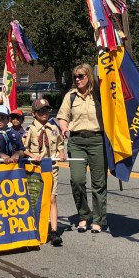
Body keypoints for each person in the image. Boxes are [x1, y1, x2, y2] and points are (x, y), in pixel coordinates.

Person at [56, 63, 108, 234]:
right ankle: (84, 215)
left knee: (98, 183)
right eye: (75, 77)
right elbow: (62, 117)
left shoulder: (100, 95)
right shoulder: (70, 96)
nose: (77, 79)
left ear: (89, 77)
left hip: (97, 140)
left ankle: (99, 219)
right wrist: (64, 127)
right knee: (77, 180)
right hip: (76, 141)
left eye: (81, 76)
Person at [24, 98, 66, 247]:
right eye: (41, 111)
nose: (45, 113)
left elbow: (60, 143)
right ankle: (33, 227)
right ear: (34, 114)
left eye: (47, 110)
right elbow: (23, 148)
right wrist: (31, 156)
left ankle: (54, 231)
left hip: (51, 167)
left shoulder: (53, 128)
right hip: (35, 169)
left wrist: (61, 152)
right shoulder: (30, 130)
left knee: (52, 198)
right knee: (36, 199)